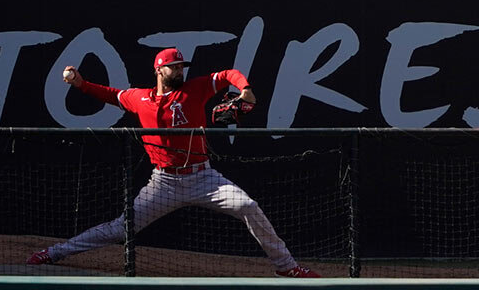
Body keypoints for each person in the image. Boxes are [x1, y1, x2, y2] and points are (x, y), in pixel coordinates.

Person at [26, 48, 320, 277]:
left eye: (182, 66)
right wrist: (80, 83)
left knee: (248, 206)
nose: (180, 70)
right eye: (174, 66)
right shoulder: (139, 98)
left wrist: (245, 89)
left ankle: (286, 265)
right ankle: (54, 252)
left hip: (204, 178)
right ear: (159, 69)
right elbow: (111, 94)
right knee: (121, 228)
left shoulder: (195, 89)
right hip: (163, 184)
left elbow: (230, 73)